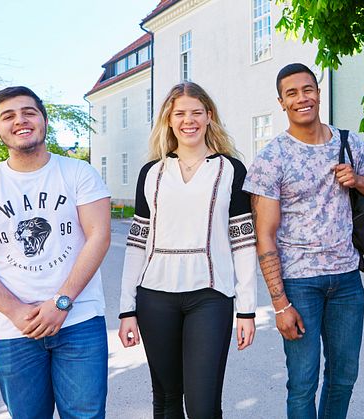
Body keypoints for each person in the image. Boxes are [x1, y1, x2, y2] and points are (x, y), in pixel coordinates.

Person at [243, 63, 364, 418]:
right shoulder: (271, 158)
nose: (302, 98)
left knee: (344, 378)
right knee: (303, 382)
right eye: (292, 93)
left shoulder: (348, 141)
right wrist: (280, 305)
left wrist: (356, 180)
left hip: (347, 280)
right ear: (281, 102)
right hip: (299, 284)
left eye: (307, 89)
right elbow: (263, 235)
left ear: (318, 93)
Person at [0, 86, 111, 418]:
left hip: (78, 321)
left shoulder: (79, 173)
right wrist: (14, 311)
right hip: (13, 329)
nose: (20, 120)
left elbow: (99, 236)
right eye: (8, 116)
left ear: (44, 121)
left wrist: (61, 302)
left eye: (29, 112)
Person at [117, 81, 257, 418]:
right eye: (180, 113)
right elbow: (136, 243)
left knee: (203, 406)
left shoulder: (231, 170)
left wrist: (247, 309)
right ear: (169, 119)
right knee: (166, 399)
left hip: (210, 296)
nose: (188, 120)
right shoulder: (151, 173)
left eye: (196, 112)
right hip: (154, 297)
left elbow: (243, 241)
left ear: (209, 116)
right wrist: (127, 309)